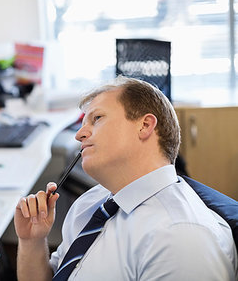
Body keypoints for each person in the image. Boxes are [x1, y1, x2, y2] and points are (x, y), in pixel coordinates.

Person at [14, 76, 237, 280]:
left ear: (145, 125)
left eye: (97, 118)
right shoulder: (88, 204)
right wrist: (32, 242)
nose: (79, 134)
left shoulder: (182, 238)